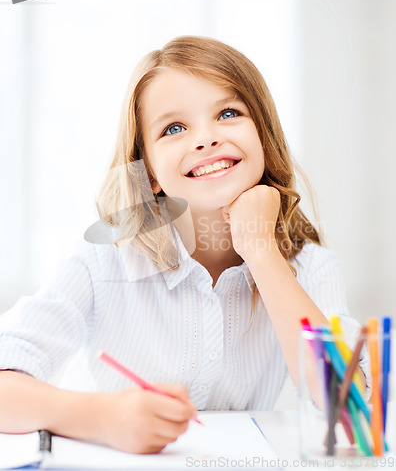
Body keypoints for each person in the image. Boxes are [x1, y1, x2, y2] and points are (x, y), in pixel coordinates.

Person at [0, 36, 368, 454]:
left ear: (263, 135)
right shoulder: (105, 261)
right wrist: (103, 418)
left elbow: (348, 404)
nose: (205, 139)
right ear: (151, 173)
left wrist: (262, 251)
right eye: (174, 128)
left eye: (228, 113)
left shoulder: (310, 266)